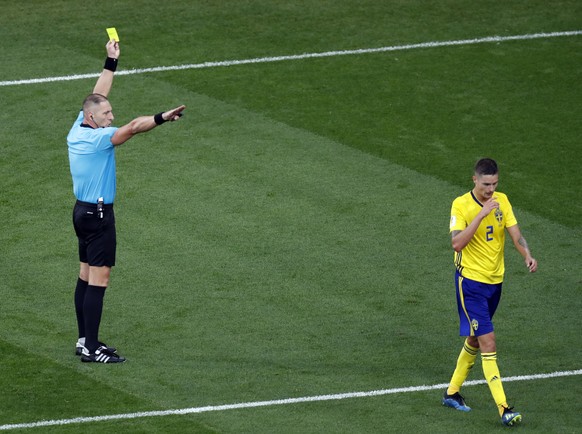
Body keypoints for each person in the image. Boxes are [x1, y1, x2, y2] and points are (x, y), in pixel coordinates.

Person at [67, 38, 186, 363]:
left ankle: (84, 340)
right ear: (93, 118)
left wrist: (110, 61)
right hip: (100, 217)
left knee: (85, 275)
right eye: (106, 113)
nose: (111, 115)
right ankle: (91, 348)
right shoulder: (100, 139)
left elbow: (98, 94)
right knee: (99, 280)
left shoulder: (78, 127)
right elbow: (133, 127)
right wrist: (163, 117)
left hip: (81, 212)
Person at [442, 158, 537, 426]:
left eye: (495, 183)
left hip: (495, 283)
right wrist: (481, 214)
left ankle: (451, 393)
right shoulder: (460, 205)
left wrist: (527, 255)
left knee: (474, 339)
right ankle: (504, 408)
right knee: (488, 341)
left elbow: (515, 234)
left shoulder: (502, 200)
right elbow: (457, 243)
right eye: (486, 184)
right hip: (470, 283)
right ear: (474, 180)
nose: (490, 189)